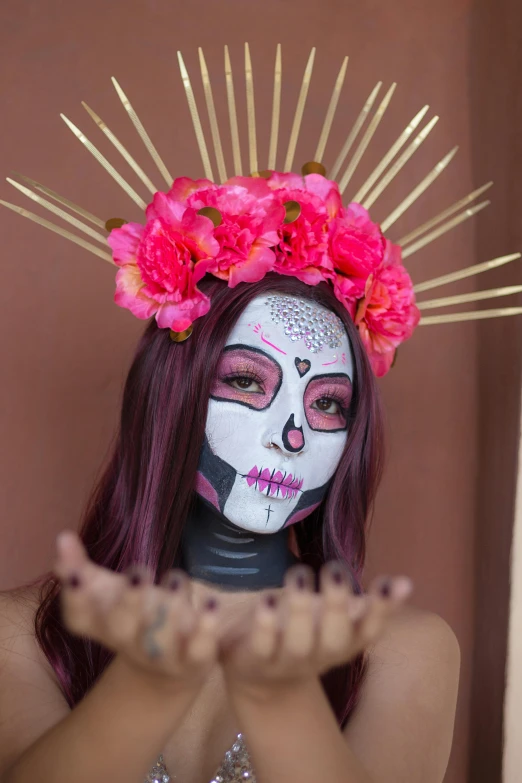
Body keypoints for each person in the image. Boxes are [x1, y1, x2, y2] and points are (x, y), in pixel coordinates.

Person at [6, 40, 515, 782]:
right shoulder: (22, 636)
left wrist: (279, 694)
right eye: (248, 382)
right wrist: (150, 682)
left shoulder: (405, 651)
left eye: (329, 403)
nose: (292, 432)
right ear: (170, 397)